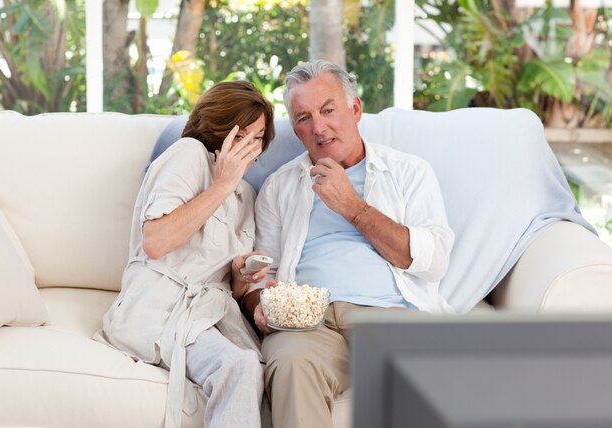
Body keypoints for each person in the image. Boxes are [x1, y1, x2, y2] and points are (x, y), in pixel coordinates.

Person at [239, 60, 455, 428]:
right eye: (304, 117)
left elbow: (433, 261)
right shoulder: (278, 186)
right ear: (296, 128)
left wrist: (353, 209)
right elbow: (261, 275)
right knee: (288, 363)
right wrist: (259, 304)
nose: (319, 127)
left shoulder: (409, 172)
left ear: (355, 110)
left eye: (328, 110)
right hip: (308, 324)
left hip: (390, 316)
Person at [95, 81, 275, 428]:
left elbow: (230, 287)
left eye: (258, 138)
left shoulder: (247, 195)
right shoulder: (189, 154)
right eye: (240, 136)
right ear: (218, 130)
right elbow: (156, 242)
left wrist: (242, 275)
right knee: (236, 365)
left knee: (261, 368)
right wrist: (221, 185)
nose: (249, 149)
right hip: (162, 307)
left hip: (212, 313)